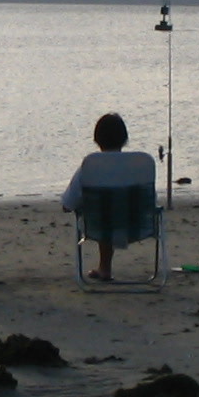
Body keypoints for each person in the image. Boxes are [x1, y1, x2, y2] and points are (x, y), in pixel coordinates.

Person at [61, 112, 157, 281]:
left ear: (97, 139)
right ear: (125, 139)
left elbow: (68, 204)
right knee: (112, 208)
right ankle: (104, 268)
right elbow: (150, 201)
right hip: (137, 224)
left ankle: (104, 269)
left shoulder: (91, 166)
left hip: (99, 226)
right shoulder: (140, 164)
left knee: (104, 209)